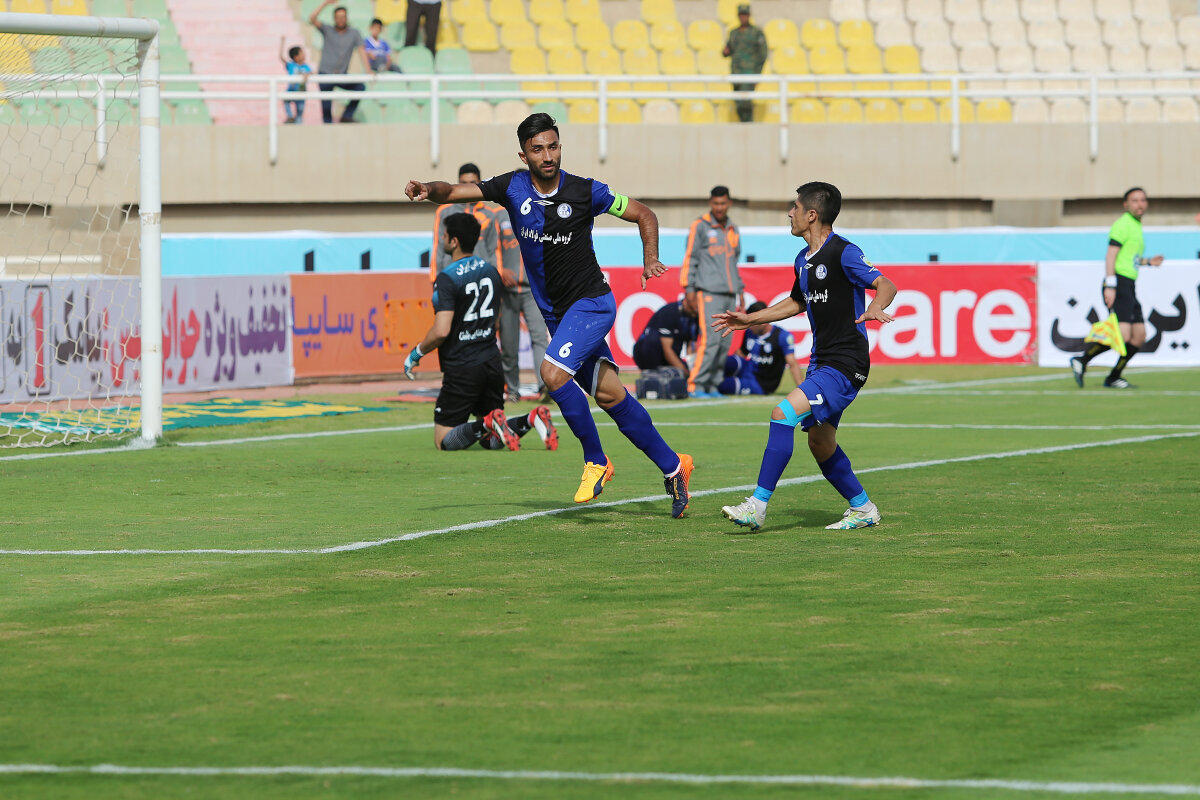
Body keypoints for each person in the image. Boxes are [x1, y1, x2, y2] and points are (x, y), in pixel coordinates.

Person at [405, 113, 695, 518]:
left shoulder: (586, 191)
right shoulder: (511, 187)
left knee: (552, 374)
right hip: (559, 316)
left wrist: (650, 258)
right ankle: (674, 466)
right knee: (611, 395)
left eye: (553, 146)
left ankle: (596, 460)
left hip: (592, 303)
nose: (548, 156)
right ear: (523, 155)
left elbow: (644, 214)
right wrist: (427, 189)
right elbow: (454, 191)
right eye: (538, 149)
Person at [713, 182, 897, 532]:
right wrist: (749, 319)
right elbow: (797, 301)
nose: (790, 213)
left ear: (811, 215)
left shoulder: (844, 252)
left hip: (846, 362)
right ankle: (863, 508)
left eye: (795, 207)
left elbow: (886, 284)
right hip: (821, 361)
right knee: (820, 443)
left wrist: (875, 306)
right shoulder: (803, 260)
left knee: (782, 413)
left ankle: (757, 506)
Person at [403, 212, 558, 452]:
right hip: (491, 362)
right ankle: (531, 418)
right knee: (490, 440)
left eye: (445, 235)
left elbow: (441, 330)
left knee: (443, 440)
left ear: (454, 241)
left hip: (462, 365)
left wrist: (416, 353)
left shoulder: (447, 278)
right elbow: (495, 319)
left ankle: (488, 422)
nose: (442, 239)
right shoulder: (490, 271)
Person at [431, 162, 550, 401]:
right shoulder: (495, 215)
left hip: (531, 289)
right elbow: (441, 249)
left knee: (539, 338)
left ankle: (545, 386)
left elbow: (497, 251)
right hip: (495, 288)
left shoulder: (532, 213)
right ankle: (506, 389)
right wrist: (437, 280)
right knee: (504, 342)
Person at [1070, 187, 1164, 390]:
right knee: (1122, 334)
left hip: (1129, 285)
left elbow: (1130, 259)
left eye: (1143, 200)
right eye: (1135, 200)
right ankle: (1082, 359)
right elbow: (1111, 255)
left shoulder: (1136, 226)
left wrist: (1148, 262)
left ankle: (1114, 377)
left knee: (1139, 336)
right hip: (1119, 283)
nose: (1140, 204)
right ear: (1126, 204)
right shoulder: (1123, 224)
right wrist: (1110, 285)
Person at [681, 185, 744, 397]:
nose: (719, 207)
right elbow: (690, 258)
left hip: (730, 293)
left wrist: (740, 290)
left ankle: (712, 384)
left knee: (725, 342)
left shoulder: (733, 228)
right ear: (711, 203)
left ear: (729, 203)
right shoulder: (700, 226)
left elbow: (734, 262)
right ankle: (696, 384)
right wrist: (689, 288)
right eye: (716, 203)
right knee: (711, 339)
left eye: (723, 203)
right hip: (708, 291)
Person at [717, 300, 804, 395]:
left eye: (752, 323)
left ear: (763, 322)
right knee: (724, 361)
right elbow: (741, 353)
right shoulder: (749, 333)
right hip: (747, 369)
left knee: (723, 385)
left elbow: (792, 364)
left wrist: (803, 391)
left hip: (761, 384)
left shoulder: (782, 336)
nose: (749, 326)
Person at [309, 0, 368, 124]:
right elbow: (312, 18)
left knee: (360, 87)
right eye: (338, 17)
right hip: (325, 74)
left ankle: (346, 116)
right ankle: (328, 128)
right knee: (326, 110)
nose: (341, 19)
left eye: (343, 16)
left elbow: (361, 50)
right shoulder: (327, 30)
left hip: (341, 75)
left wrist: (368, 69)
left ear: (346, 18)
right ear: (334, 18)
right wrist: (325, 3)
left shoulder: (354, 33)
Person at [722, 4, 767, 123]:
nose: (743, 17)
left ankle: (748, 127)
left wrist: (757, 74)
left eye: (745, 15)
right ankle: (744, 127)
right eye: (741, 15)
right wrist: (725, 51)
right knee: (738, 103)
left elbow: (763, 55)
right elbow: (727, 50)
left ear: (749, 16)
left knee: (745, 103)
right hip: (736, 73)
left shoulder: (756, 32)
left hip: (749, 73)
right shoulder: (734, 33)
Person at [632, 294, 700, 372]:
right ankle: (651, 372)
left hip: (670, 355)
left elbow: (691, 346)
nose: (697, 308)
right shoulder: (670, 312)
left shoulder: (695, 317)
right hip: (647, 352)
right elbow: (667, 350)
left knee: (689, 370)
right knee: (653, 340)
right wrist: (685, 372)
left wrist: (692, 370)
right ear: (686, 301)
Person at [278, 37, 312, 124]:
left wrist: (307, 74)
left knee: (300, 111)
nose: (304, 55)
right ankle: (290, 116)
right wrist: (282, 42)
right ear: (295, 57)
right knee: (285, 99)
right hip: (292, 89)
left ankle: (298, 123)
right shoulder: (291, 65)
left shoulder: (306, 67)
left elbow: (311, 72)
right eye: (302, 53)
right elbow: (281, 57)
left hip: (301, 92)